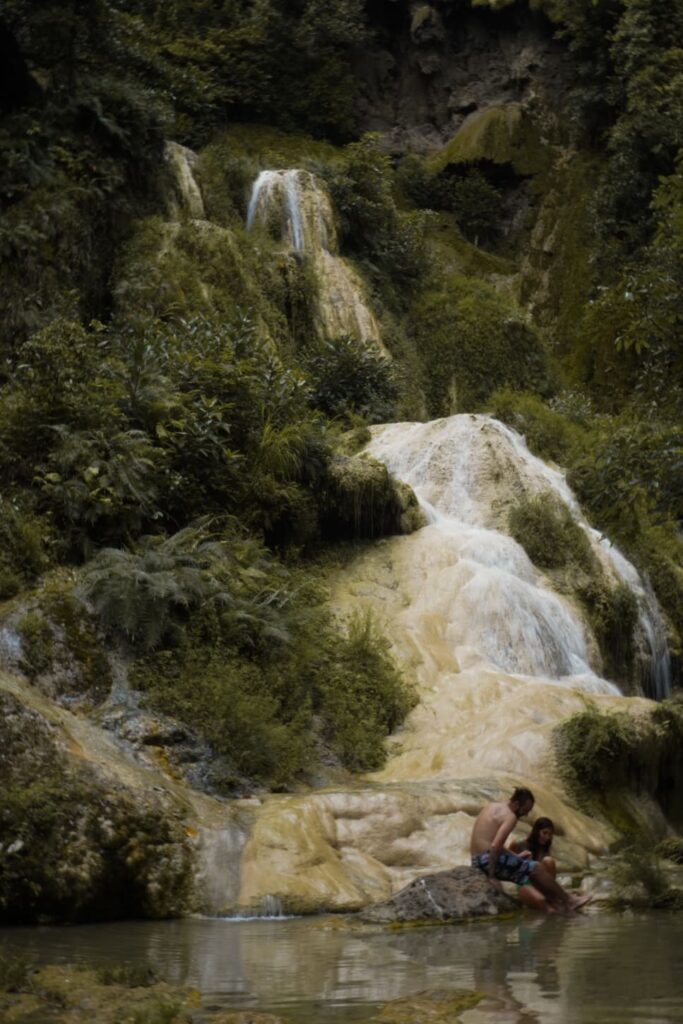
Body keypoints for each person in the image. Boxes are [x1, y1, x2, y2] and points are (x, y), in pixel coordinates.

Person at [470, 788, 591, 912]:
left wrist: (516, 857)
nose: (525, 815)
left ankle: (559, 901)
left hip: (477, 860)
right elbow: (495, 846)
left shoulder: (492, 806)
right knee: (535, 867)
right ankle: (569, 900)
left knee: (530, 867)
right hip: (487, 862)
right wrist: (491, 876)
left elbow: (494, 845)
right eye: (524, 811)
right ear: (516, 804)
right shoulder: (510, 816)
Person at [510, 816, 556, 912]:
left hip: (542, 884)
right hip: (524, 882)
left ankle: (552, 895)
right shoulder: (518, 844)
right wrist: (520, 857)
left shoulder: (545, 848)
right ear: (536, 831)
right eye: (544, 833)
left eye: (550, 834)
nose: (547, 837)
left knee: (549, 861)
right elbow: (506, 861)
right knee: (545, 906)